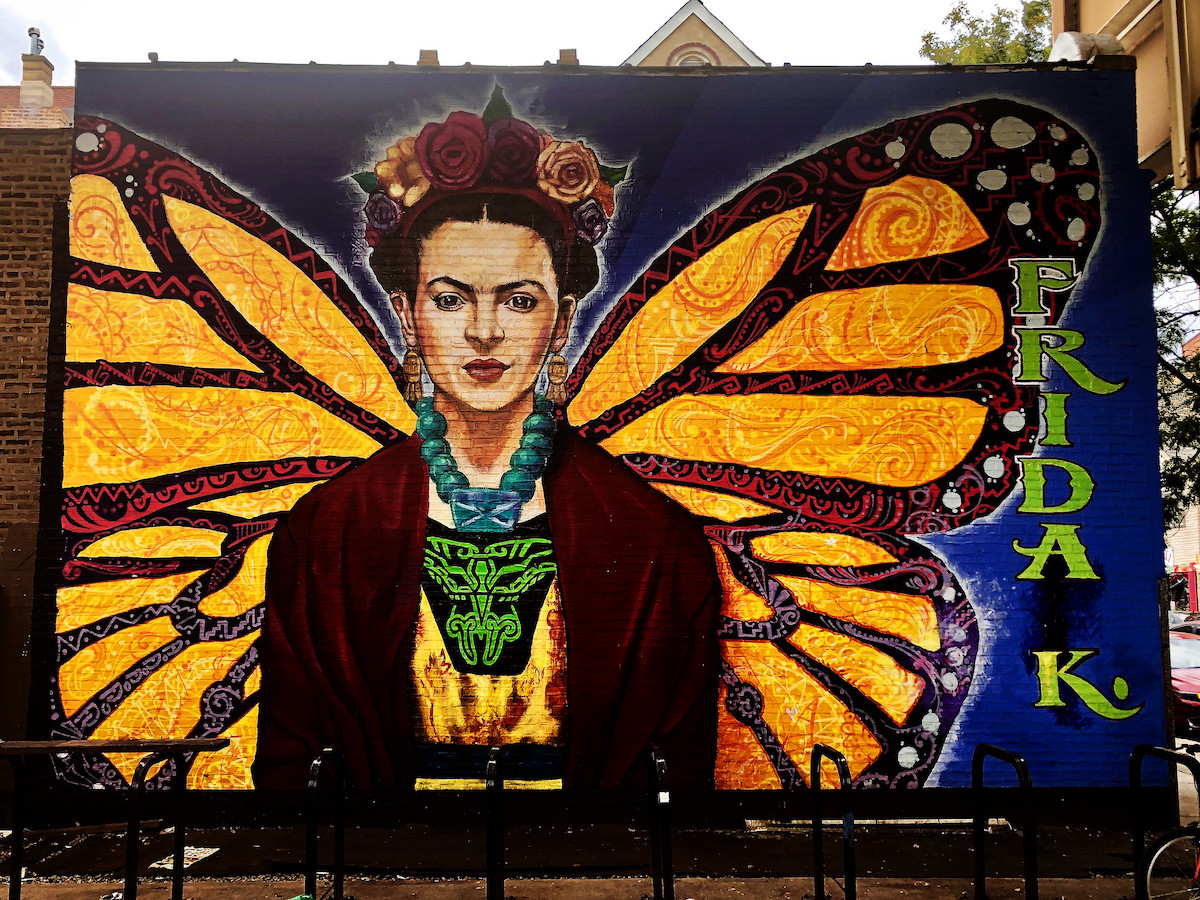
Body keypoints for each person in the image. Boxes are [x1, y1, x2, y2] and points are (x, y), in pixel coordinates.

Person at [252, 98, 721, 792]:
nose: (483, 332)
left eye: (519, 300)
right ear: (408, 314)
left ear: (562, 322)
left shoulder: (652, 540)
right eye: (448, 299)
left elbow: (676, 768)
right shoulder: (327, 533)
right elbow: (293, 763)